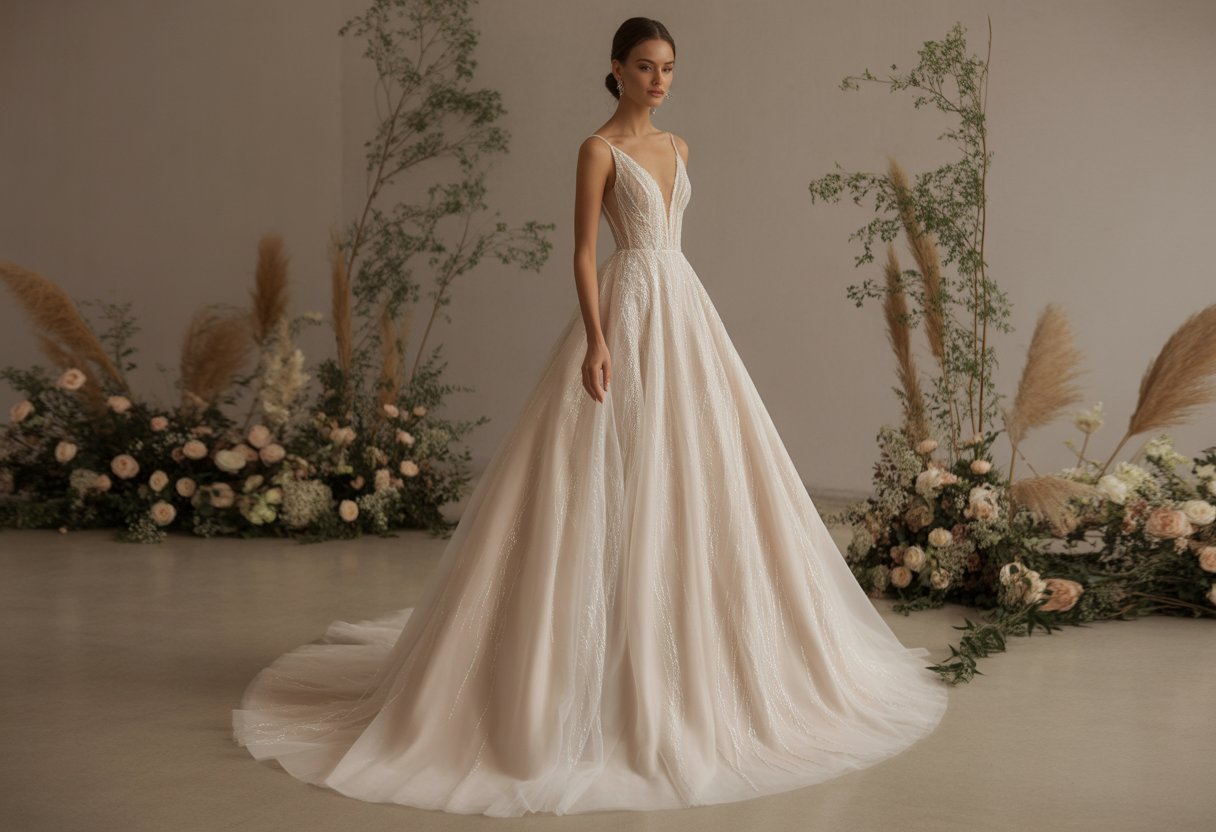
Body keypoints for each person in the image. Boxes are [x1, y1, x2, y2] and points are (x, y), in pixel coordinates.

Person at [232, 16, 948, 817]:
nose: (659, 80)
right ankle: (584, 654)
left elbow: (670, 237)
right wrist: (598, 339)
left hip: (683, 310)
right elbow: (580, 251)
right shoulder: (597, 150)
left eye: (669, 67)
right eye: (645, 66)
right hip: (627, 308)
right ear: (615, 69)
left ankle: (684, 639)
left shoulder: (680, 148)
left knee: (695, 468)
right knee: (596, 476)